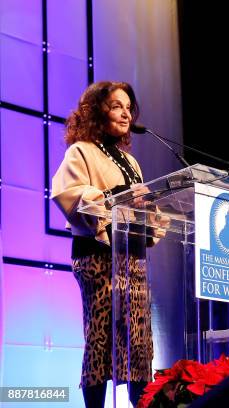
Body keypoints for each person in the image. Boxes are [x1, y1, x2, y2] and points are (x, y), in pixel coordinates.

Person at [51, 81, 153, 407]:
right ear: (98, 111)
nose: (125, 113)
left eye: (128, 107)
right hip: (97, 258)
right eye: (116, 106)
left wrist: (148, 208)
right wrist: (118, 198)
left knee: (138, 344)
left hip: (131, 259)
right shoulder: (81, 151)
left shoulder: (130, 162)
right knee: (101, 339)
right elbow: (69, 196)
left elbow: (139, 212)